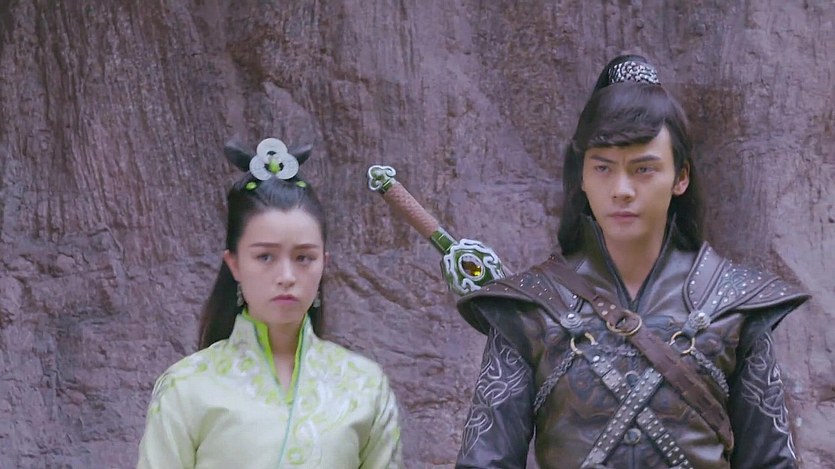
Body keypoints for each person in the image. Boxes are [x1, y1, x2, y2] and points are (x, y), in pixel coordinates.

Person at [453, 55, 809, 468]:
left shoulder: (735, 303)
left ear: (681, 177)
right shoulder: (530, 307)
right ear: (583, 177)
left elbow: (772, 462)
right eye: (603, 168)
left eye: (643, 169)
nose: (621, 189)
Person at [137, 137, 402, 468]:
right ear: (234, 263)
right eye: (265, 256)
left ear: (324, 263)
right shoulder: (186, 386)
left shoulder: (365, 386)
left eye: (304, 258)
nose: (286, 276)